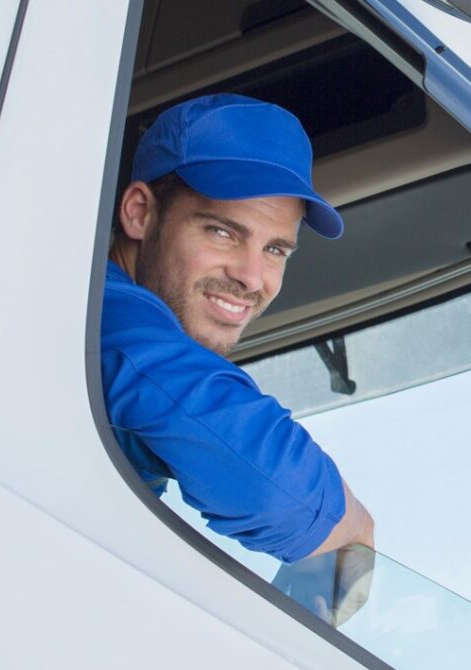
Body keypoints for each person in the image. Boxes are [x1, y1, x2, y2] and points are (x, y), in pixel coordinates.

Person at [101, 93, 374, 564]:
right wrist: (351, 529)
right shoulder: (103, 312)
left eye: (275, 250)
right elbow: (279, 495)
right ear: (140, 212)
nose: (251, 277)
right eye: (223, 232)